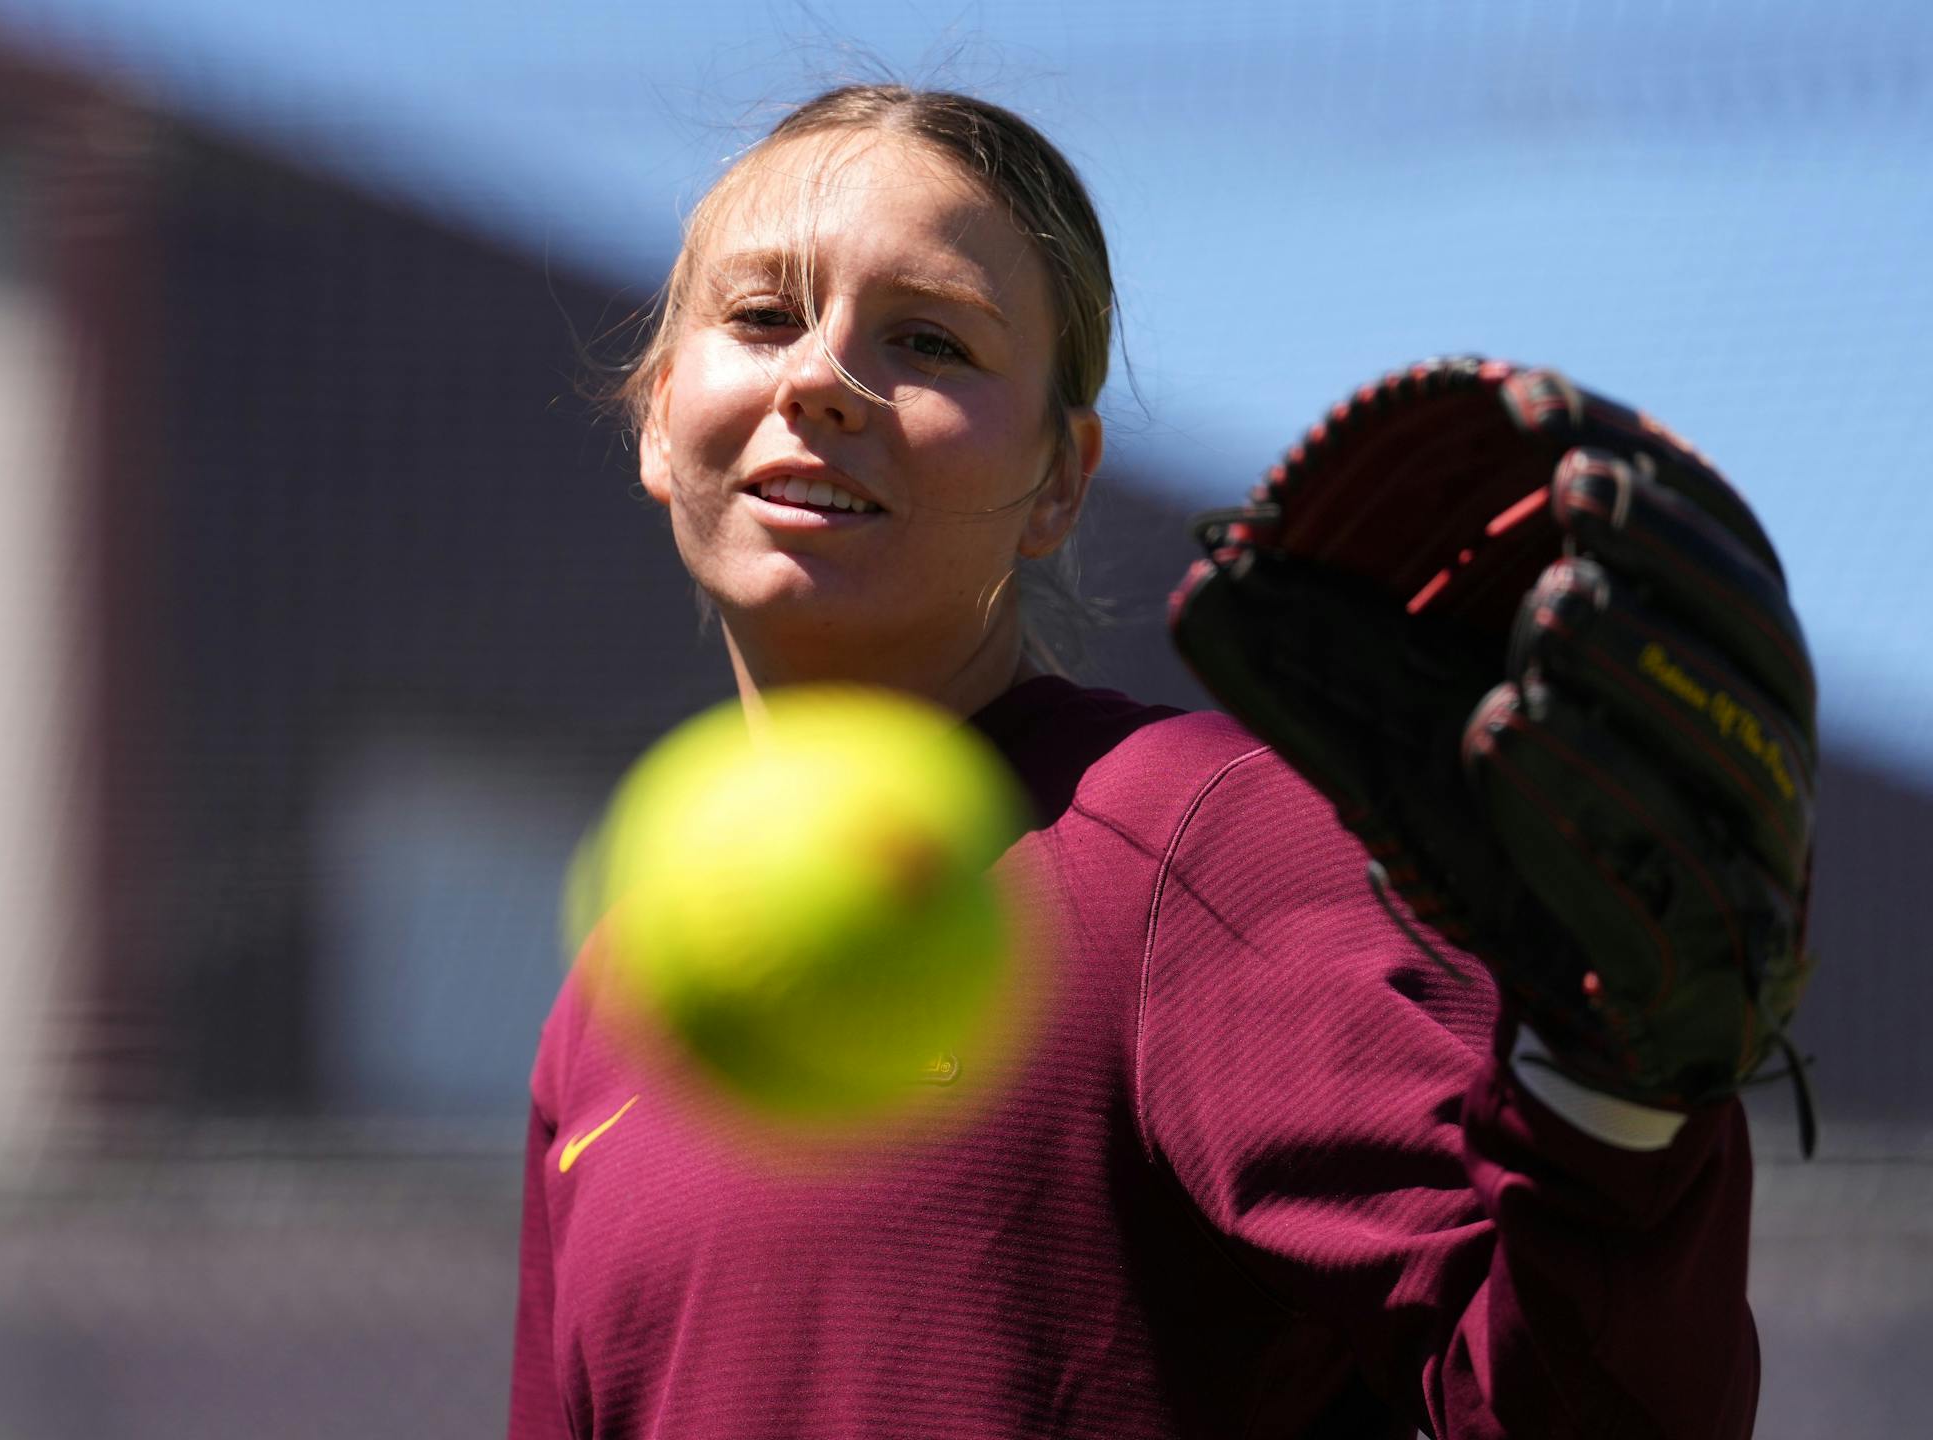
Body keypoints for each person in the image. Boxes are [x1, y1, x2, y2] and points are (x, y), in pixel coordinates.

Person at [509, 85, 1758, 1438]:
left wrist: (1619, 1115)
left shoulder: (1199, 837)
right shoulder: (612, 993)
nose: (820, 378)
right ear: (655, 413)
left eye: (929, 340)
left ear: (1059, 480)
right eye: (761, 317)